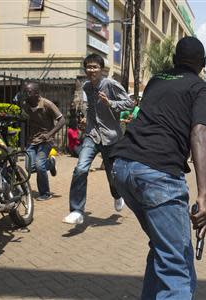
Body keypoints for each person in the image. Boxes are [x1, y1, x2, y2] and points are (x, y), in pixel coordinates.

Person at [110, 36, 206, 299]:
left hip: (122, 167)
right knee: (177, 267)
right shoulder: (202, 89)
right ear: (203, 63)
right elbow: (200, 132)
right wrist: (203, 197)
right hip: (157, 174)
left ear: (173, 60)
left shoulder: (156, 81)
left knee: (163, 248)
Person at [62, 53, 134, 225]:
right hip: (92, 135)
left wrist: (111, 103)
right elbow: (91, 108)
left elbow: (130, 104)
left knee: (112, 175)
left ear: (102, 69)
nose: (91, 70)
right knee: (80, 169)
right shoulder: (86, 87)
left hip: (111, 136)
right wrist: (87, 119)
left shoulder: (110, 84)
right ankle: (77, 210)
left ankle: (117, 195)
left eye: (95, 67)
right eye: (88, 67)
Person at [23, 82, 65, 201]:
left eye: (29, 92)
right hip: (32, 141)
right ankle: (51, 164)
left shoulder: (47, 104)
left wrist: (49, 134)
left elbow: (62, 121)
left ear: (36, 93)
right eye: (25, 91)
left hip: (46, 140)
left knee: (40, 165)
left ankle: (45, 193)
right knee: (29, 167)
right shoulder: (25, 106)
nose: (26, 94)